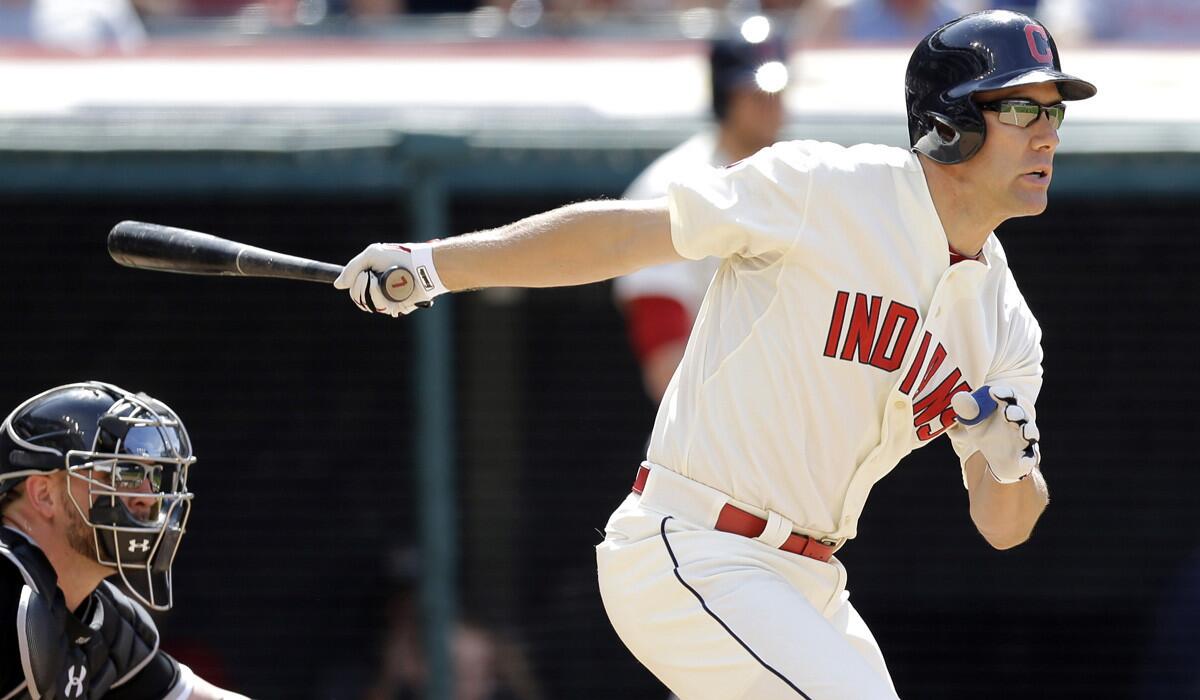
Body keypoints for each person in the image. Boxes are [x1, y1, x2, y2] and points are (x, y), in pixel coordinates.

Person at [333, 9, 1093, 698]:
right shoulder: (824, 190)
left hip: (812, 584)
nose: (1048, 131)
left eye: (1054, 109)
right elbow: (625, 233)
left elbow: (1005, 526)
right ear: (950, 121)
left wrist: (1012, 461)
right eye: (1022, 106)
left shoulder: (1005, 323)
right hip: (694, 546)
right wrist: (437, 264)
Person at [0, 381, 248, 699]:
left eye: (154, 477)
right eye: (124, 474)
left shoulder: (102, 623)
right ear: (44, 494)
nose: (147, 497)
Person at [613, 25, 790, 402]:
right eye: (755, 93)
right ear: (724, 97)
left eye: (777, 93)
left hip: (790, 420)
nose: (771, 105)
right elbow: (660, 332)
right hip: (710, 428)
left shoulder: (800, 178)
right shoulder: (675, 183)